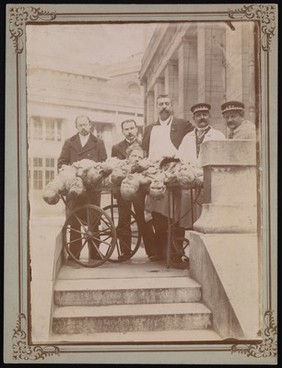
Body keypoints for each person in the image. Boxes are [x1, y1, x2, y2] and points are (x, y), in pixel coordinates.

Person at [142, 95, 194, 267]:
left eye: (167, 104)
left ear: (172, 106)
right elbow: (145, 152)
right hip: (155, 174)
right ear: (156, 107)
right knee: (157, 214)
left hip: (174, 174)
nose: (164, 107)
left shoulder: (182, 124)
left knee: (175, 213)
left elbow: (191, 142)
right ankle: (160, 252)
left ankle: (176, 252)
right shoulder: (149, 129)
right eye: (160, 104)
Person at [58, 115, 107, 260]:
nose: (83, 127)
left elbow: (104, 163)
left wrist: (93, 171)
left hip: (92, 188)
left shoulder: (98, 142)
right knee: (74, 220)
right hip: (74, 187)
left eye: (85, 124)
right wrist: (68, 170)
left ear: (90, 125)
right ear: (76, 127)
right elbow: (61, 162)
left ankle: (95, 253)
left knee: (94, 219)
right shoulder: (69, 142)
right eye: (80, 125)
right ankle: (75, 253)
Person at [111, 120, 156, 261]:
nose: (129, 131)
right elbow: (113, 168)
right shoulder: (116, 147)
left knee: (143, 217)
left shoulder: (144, 145)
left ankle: (152, 251)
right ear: (122, 131)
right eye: (126, 129)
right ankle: (125, 252)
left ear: (136, 129)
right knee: (124, 218)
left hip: (140, 188)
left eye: (132, 128)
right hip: (123, 188)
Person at [177, 103, 225, 227]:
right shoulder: (187, 137)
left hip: (208, 183)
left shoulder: (218, 135)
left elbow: (222, 161)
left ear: (209, 116)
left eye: (204, 114)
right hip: (190, 184)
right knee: (189, 220)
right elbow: (180, 158)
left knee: (209, 221)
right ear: (194, 118)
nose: (202, 117)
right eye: (198, 115)